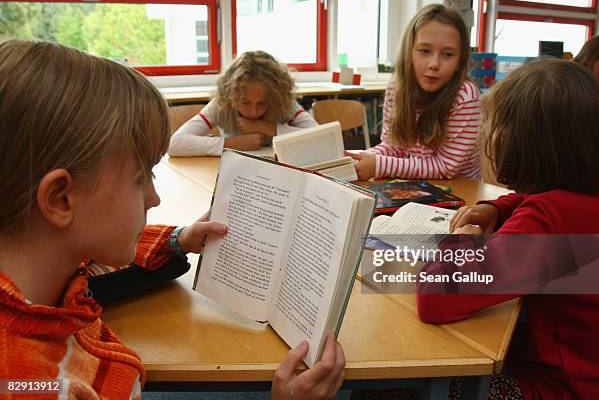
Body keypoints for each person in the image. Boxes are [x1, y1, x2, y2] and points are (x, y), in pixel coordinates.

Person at [0, 39, 345, 399]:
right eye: (141, 178)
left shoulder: (51, 267)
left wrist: (179, 238)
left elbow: (95, 264)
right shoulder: (29, 382)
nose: (154, 197)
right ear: (60, 198)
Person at [417, 59, 599, 399]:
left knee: (394, 389)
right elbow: (551, 198)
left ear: (524, 145)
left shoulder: (548, 220)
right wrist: (498, 206)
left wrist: (460, 240)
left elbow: (435, 296)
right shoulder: (597, 191)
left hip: (556, 389)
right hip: (594, 376)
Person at [351, 4, 480, 181]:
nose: (434, 64)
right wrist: (363, 158)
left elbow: (446, 167)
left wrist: (379, 165)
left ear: (460, 61)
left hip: (462, 196)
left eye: (448, 54)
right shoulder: (396, 89)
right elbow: (393, 146)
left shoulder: (465, 96)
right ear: (409, 51)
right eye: (424, 51)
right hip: (418, 187)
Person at [168, 50, 317, 156]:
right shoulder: (222, 104)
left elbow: (320, 139)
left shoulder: (282, 102)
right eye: (244, 102)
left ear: (273, 98)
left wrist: (266, 127)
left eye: (262, 103)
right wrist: (230, 144)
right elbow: (175, 144)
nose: (253, 111)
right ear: (232, 95)